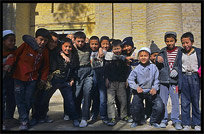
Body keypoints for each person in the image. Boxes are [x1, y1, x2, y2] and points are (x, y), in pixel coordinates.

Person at [7, 28, 51, 130]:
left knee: (28, 100)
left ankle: (24, 119)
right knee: (19, 100)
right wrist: (9, 65)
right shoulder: (26, 45)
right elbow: (14, 55)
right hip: (18, 77)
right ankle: (24, 120)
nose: (43, 42)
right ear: (36, 38)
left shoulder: (45, 51)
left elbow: (46, 66)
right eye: (41, 39)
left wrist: (43, 79)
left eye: (45, 40)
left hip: (32, 79)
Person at [27, 31, 60, 126]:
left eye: (55, 42)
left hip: (49, 77)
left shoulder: (56, 50)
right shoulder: (40, 49)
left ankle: (43, 115)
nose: (53, 44)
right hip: (37, 76)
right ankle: (34, 117)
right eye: (51, 41)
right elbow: (26, 38)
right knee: (35, 98)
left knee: (45, 99)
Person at [127, 47, 164, 128]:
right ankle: (137, 120)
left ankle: (153, 120)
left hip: (151, 90)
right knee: (135, 106)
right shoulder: (136, 68)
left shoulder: (154, 67)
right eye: (141, 56)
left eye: (145, 56)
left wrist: (154, 88)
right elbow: (130, 79)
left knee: (159, 105)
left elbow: (157, 79)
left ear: (149, 56)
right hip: (140, 91)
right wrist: (136, 87)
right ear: (139, 57)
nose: (143, 58)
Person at [156, 31, 182, 130]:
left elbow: (182, 63)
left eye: (171, 41)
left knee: (175, 101)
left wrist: (176, 69)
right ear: (165, 42)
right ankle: (163, 119)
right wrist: (157, 59)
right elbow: (157, 64)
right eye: (167, 41)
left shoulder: (180, 51)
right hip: (163, 81)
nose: (169, 43)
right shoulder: (162, 51)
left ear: (175, 41)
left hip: (174, 82)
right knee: (163, 101)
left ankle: (176, 120)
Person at [177, 32, 201, 130]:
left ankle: (196, 123)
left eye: (187, 42)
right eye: (183, 43)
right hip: (184, 77)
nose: (185, 45)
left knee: (195, 101)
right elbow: (176, 65)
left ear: (192, 42)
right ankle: (186, 123)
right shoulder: (180, 52)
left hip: (195, 78)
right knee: (185, 102)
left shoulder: (199, 52)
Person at [104, 39, 129, 126]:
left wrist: (127, 80)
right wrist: (106, 79)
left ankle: (123, 115)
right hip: (111, 82)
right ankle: (112, 117)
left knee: (123, 100)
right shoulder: (109, 57)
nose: (117, 51)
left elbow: (126, 70)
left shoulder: (124, 58)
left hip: (121, 82)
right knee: (110, 101)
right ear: (112, 50)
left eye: (118, 49)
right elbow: (106, 69)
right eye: (115, 49)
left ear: (121, 49)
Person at [73, 31, 94, 128]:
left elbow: (98, 45)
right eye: (78, 41)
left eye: (82, 41)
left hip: (88, 72)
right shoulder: (72, 48)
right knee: (76, 95)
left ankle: (84, 118)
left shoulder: (88, 46)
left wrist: (101, 49)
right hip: (77, 72)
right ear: (74, 40)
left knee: (87, 94)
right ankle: (75, 116)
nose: (80, 43)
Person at [89, 36, 109, 124]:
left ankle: (103, 116)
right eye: (92, 44)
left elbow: (111, 58)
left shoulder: (103, 52)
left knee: (103, 97)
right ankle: (94, 114)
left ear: (99, 44)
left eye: (96, 44)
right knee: (94, 97)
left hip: (102, 76)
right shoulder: (88, 51)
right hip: (92, 75)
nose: (94, 46)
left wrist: (101, 49)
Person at [2, 30, 17, 130]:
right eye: (10, 41)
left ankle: (9, 118)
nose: (13, 43)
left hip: (11, 79)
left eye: (14, 41)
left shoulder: (15, 51)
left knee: (12, 99)